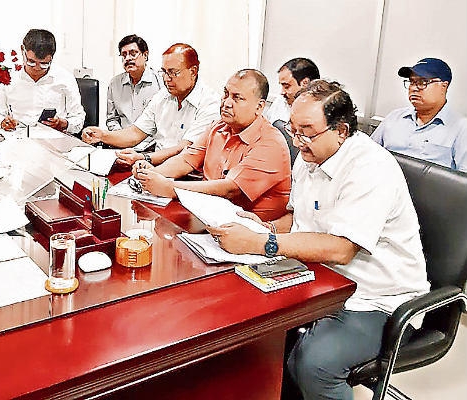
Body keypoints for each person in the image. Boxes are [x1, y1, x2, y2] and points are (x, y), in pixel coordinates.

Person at [208, 80, 430, 399]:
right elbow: (298, 221)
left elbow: (341, 249)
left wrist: (260, 243)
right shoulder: (310, 156)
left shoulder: (370, 168)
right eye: (293, 129)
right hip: (319, 280)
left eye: (307, 132)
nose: (297, 141)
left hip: (375, 297)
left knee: (313, 365)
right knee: (250, 331)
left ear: (341, 130)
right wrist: (265, 228)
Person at [132, 69, 291, 221]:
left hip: (250, 230)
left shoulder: (271, 143)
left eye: (237, 98)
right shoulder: (219, 126)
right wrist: (151, 173)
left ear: (259, 107)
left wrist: (169, 188)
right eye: (226, 94)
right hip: (208, 215)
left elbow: (230, 189)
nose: (226, 103)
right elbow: (186, 160)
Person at [82, 43, 219, 167]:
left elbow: (185, 149)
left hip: (186, 174)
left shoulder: (210, 103)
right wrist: (102, 135)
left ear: (193, 71)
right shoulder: (163, 96)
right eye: (164, 72)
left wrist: (146, 158)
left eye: (173, 72)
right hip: (154, 167)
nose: (166, 79)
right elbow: (135, 133)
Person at [371, 58, 467, 172]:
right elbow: (368, 154)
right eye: (412, 82)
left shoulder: (461, 129)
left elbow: (463, 179)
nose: (413, 88)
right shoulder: (394, 118)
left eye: (422, 82)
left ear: (444, 86)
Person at [0, 29, 86, 135]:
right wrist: (4, 123)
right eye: (31, 62)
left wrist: (63, 124)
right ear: (22, 50)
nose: (37, 68)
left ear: (52, 57)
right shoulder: (8, 79)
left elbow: (78, 118)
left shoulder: (65, 78)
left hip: (54, 138)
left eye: (44, 64)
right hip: (18, 138)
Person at [106, 34, 163, 131]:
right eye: (124, 55)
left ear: (145, 55)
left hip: (151, 139)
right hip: (121, 138)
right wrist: (120, 135)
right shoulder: (114, 83)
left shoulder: (160, 82)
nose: (128, 58)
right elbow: (112, 119)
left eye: (133, 53)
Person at [264, 57, 319, 125]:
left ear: (305, 83)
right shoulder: (281, 101)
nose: (282, 92)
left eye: (287, 86)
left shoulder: (319, 114)